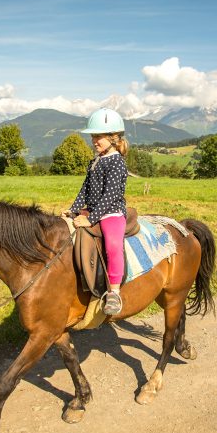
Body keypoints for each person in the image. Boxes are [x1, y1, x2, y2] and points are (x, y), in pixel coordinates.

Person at [62, 108, 129, 315]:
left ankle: (114, 292)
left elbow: (110, 195)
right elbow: (85, 189)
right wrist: (73, 211)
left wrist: (90, 219)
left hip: (111, 213)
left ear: (114, 137)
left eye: (98, 136)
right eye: (93, 136)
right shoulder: (96, 160)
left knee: (113, 245)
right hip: (91, 210)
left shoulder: (117, 162)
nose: (94, 140)